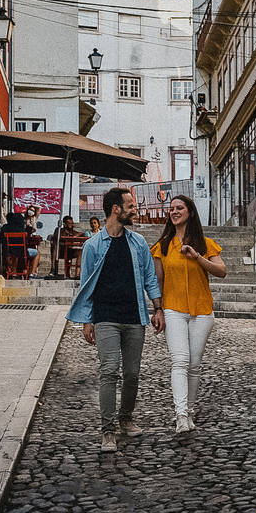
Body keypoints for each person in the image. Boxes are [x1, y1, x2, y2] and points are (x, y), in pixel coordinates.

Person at [67, 187, 165, 453]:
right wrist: (87, 321)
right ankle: (108, 430)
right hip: (106, 317)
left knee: (132, 374)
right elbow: (86, 286)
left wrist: (158, 309)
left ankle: (126, 418)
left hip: (134, 316)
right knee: (109, 371)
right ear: (116, 209)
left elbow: (150, 278)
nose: (135, 210)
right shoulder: (92, 246)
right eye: (131, 206)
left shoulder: (138, 243)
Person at [152, 195, 227, 435]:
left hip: (201, 310)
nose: (174, 212)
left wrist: (197, 257)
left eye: (179, 208)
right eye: (171, 209)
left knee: (194, 365)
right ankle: (181, 415)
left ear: (190, 212)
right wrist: (157, 309)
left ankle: (190, 411)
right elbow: (157, 281)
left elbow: (221, 271)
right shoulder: (162, 246)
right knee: (180, 361)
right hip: (173, 309)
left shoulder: (205, 244)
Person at [0, 210, 40, 278]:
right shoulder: (22, 230)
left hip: (7, 252)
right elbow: (32, 230)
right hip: (21, 253)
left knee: (11, 253)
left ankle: (11, 271)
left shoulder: (5, 228)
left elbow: (0, 239)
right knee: (37, 253)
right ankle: (32, 273)